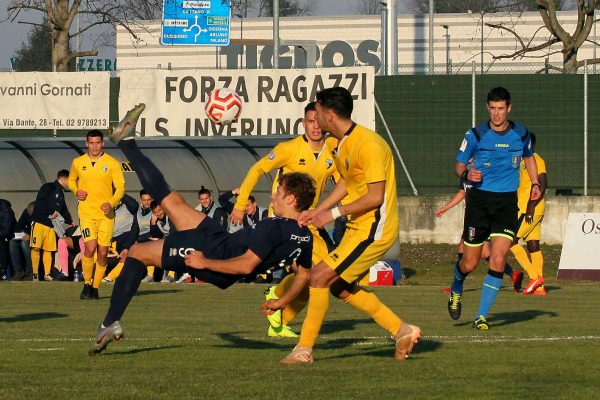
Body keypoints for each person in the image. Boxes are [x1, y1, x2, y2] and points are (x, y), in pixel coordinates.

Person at [89, 103, 316, 355]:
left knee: (136, 252)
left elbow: (245, 266)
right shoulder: (304, 235)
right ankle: (126, 140)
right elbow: (305, 275)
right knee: (170, 199)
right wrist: (282, 302)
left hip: (214, 255)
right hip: (219, 240)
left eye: (279, 193)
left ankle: (108, 323)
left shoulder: (275, 227)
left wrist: (204, 262)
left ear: (292, 200)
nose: (273, 197)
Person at [277, 87, 421, 364]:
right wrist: (316, 211)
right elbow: (346, 183)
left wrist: (331, 215)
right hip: (358, 227)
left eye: (316, 112)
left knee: (319, 276)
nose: (314, 118)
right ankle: (402, 330)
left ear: (329, 114)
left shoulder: (370, 145)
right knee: (338, 287)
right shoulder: (338, 143)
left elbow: (375, 196)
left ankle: (303, 350)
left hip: (374, 229)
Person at [230, 101, 338, 337]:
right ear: (303, 123)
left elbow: (343, 183)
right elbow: (257, 169)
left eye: (318, 122)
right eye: (310, 122)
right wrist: (240, 205)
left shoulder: (333, 149)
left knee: (318, 275)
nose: (315, 127)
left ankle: (278, 319)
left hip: (309, 220)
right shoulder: (288, 148)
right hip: (283, 220)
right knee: (315, 273)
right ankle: (278, 298)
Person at [447, 87, 541, 330]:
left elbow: (529, 157)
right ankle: (457, 287)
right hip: (479, 203)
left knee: (498, 259)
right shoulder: (476, 134)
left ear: (508, 108)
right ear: (488, 108)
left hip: (507, 204)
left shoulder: (521, 134)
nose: (497, 113)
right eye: (492, 108)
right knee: (469, 263)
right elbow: (458, 165)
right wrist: (468, 173)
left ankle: (481, 316)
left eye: (501, 109)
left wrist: (535, 183)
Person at [435, 179, 524, 294]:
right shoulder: (466, 174)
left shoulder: (484, 173)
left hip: (483, 217)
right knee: (483, 252)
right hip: (473, 217)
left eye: (470, 159)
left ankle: (457, 285)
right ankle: (513, 274)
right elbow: (462, 193)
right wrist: (446, 207)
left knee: (465, 250)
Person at [69, 129, 126, 299]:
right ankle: (86, 284)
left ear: (103, 143)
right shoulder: (78, 162)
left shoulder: (113, 163)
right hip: (86, 213)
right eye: (91, 143)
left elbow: (121, 187)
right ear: (86, 143)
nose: (94, 146)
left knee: (102, 252)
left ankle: (95, 287)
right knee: (90, 247)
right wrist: (76, 190)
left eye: (97, 143)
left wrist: (112, 203)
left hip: (106, 216)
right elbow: (72, 181)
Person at [510, 133, 548, 295]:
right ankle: (539, 288)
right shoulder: (521, 162)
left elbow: (543, 184)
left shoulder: (536, 159)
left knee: (510, 241)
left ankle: (534, 278)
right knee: (533, 246)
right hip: (525, 208)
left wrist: (531, 206)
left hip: (531, 209)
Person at [30, 169, 73, 282]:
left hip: (51, 225)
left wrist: (70, 220)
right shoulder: (47, 187)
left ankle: (47, 274)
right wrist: (51, 211)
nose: (70, 183)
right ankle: (35, 274)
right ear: (63, 179)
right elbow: (40, 202)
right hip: (39, 222)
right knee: (36, 248)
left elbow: (64, 209)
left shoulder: (61, 194)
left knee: (48, 250)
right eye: (69, 180)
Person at [9, 202, 35, 281]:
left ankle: (31, 272)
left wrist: (31, 237)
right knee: (12, 242)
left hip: (36, 238)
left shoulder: (42, 214)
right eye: (28, 212)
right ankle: (19, 271)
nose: (29, 215)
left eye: (31, 214)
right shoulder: (26, 212)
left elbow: (43, 232)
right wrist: (17, 234)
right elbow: (19, 225)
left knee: (24, 244)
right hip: (25, 235)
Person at [0, 198, 17, 280]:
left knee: (1, 244)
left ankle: (3, 273)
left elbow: (6, 229)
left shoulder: (6, 210)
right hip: (3, 235)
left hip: (9, 237)